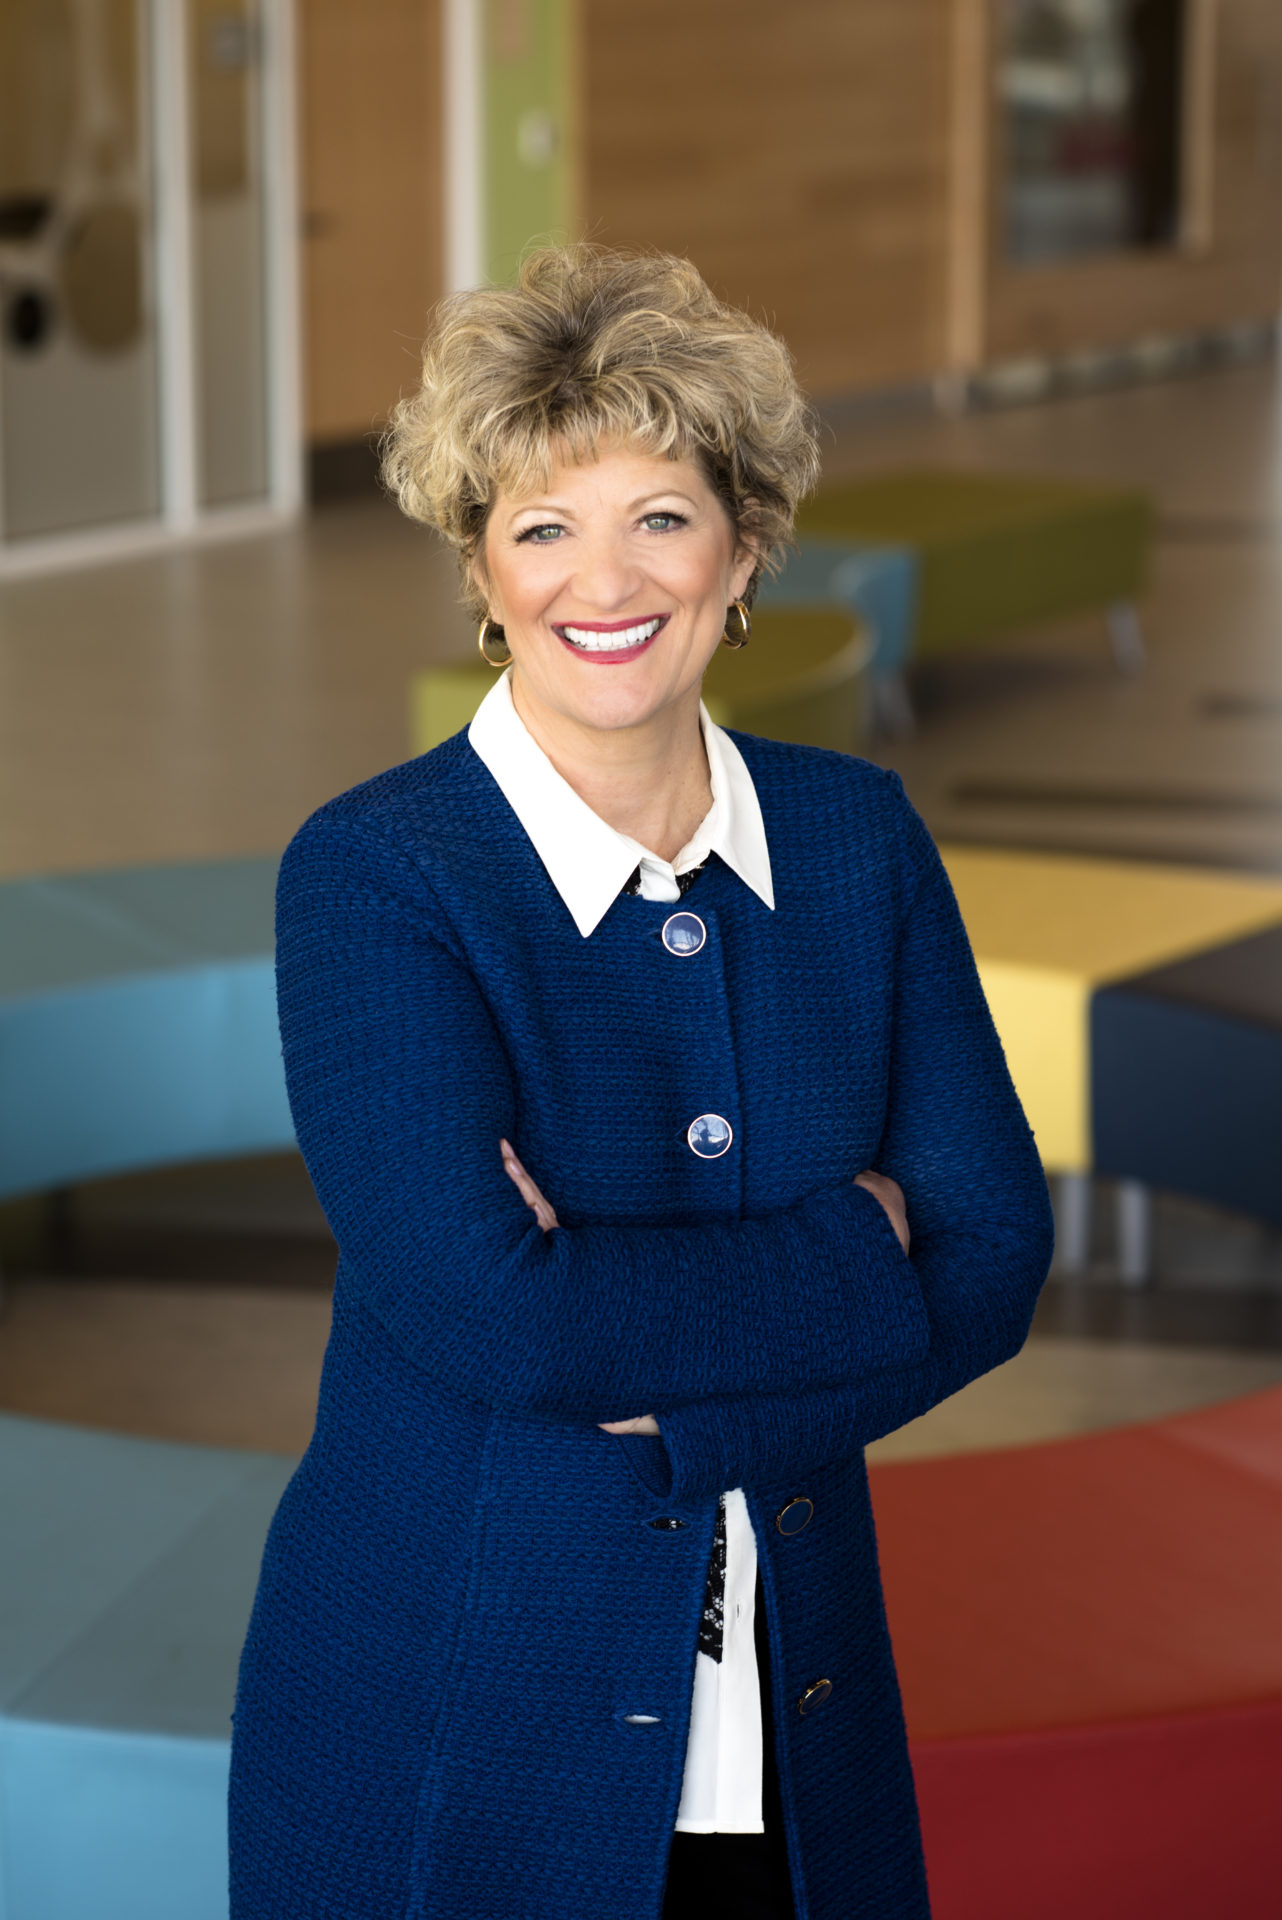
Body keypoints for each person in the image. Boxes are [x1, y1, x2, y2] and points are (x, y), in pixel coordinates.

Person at [229, 245, 1054, 1920]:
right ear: (479, 567)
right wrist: (855, 1248)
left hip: (796, 1708)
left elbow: (989, 1259)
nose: (601, 580)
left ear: (744, 548)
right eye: (541, 526)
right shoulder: (380, 877)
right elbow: (498, 1320)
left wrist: (647, 1345)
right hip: (456, 1709)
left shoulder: (853, 842)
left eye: (659, 517)